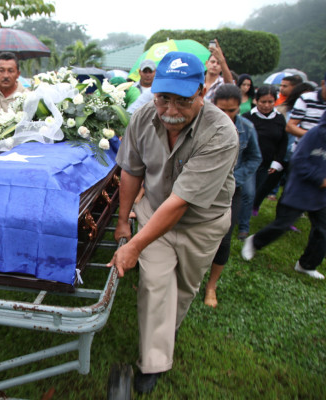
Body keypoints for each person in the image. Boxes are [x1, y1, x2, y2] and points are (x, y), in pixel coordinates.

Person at [108, 51, 238, 394]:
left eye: (182, 101)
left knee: (184, 289)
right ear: (155, 93)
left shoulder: (221, 133)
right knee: (154, 283)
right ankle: (152, 362)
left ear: (200, 92)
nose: (171, 111)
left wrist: (134, 245)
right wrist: (124, 222)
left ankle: (161, 338)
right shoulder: (142, 118)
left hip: (203, 222)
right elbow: (131, 170)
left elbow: (182, 203)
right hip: (154, 208)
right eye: (164, 98)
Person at [242, 112, 326, 280]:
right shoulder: (315, 134)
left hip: (322, 195)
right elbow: (298, 160)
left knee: (323, 231)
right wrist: (318, 178)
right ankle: (255, 241)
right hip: (301, 189)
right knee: (283, 224)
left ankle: (306, 265)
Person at [204, 84, 261, 307]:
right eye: (222, 110)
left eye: (232, 111)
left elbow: (255, 157)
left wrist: (233, 178)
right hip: (201, 189)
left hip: (230, 192)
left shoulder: (247, 128)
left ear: (239, 108)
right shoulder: (202, 125)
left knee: (224, 238)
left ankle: (211, 286)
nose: (227, 115)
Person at [241, 85, 287, 221]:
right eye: (263, 102)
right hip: (248, 162)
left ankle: (246, 213)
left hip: (267, 163)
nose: (267, 105)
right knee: (247, 192)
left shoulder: (279, 119)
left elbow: (283, 141)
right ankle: (243, 223)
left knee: (256, 191)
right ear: (256, 100)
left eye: (270, 102)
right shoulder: (248, 117)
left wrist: (277, 161)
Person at [286, 74, 326, 141]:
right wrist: (313, 136)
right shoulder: (306, 98)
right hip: (304, 148)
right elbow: (290, 126)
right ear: (323, 83)